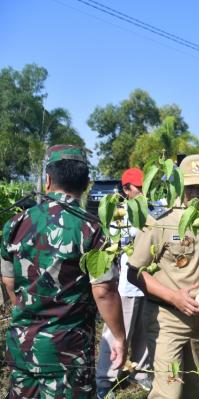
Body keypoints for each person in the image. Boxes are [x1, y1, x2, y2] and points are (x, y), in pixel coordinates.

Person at [0, 144, 127, 398]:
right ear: (86, 184)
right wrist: (119, 337)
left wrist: (33, 316)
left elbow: (9, 283)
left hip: (23, 350)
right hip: (68, 355)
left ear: (47, 180)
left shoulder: (15, 224)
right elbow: (103, 291)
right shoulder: (91, 230)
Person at [127, 154, 199, 399]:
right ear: (179, 187)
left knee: (198, 388)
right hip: (168, 319)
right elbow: (134, 273)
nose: (198, 193)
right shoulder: (161, 223)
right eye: (191, 187)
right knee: (169, 390)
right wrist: (174, 297)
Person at [96, 167, 152, 398]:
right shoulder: (120, 214)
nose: (142, 191)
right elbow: (112, 246)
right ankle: (105, 378)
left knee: (144, 331)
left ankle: (139, 372)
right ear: (126, 188)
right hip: (127, 285)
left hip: (148, 283)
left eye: (144, 186)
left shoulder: (152, 211)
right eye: (138, 187)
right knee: (118, 330)